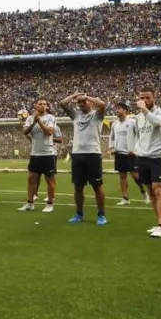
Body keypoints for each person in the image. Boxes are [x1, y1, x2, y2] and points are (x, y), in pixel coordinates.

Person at [59, 92, 107, 225]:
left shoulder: (97, 115)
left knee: (97, 186)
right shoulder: (76, 115)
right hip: (78, 154)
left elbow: (102, 104)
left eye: (84, 102)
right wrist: (74, 95)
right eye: (79, 102)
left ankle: (101, 214)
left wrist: (86, 97)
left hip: (93, 153)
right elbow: (62, 103)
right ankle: (79, 214)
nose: (81, 104)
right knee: (78, 187)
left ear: (90, 102)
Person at [134, 88, 161, 238]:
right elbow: (140, 135)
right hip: (143, 157)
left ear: (154, 98)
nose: (144, 100)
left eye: (147, 97)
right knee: (150, 191)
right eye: (142, 97)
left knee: (159, 190)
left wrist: (144, 110)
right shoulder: (138, 117)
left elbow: (157, 123)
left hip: (158, 157)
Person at [18, 98, 58, 213]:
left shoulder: (51, 118)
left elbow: (49, 132)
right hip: (35, 153)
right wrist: (34, 122)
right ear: (36, 106)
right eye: (40, 104)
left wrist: (39, 121)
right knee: (31, 179)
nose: (42, 106)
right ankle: (30, 203)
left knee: (50, 180)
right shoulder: (30, 118)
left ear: (47, 107)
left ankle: (50, 204)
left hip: (48, 153)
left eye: (44, 104)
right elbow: (25, 132)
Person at [109, 101, 148, 205]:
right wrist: (112, 147)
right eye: (116, 109)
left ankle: (144, 191)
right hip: (119, 153)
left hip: (130, 154)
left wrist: (135, 149)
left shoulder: (132, 122)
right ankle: (125, 198)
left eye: (119, 108)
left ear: (125, 110)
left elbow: (139, 135)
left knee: (135, 175)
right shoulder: (114, 124)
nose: (117, 110)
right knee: (122, 176)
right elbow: (111, 137)